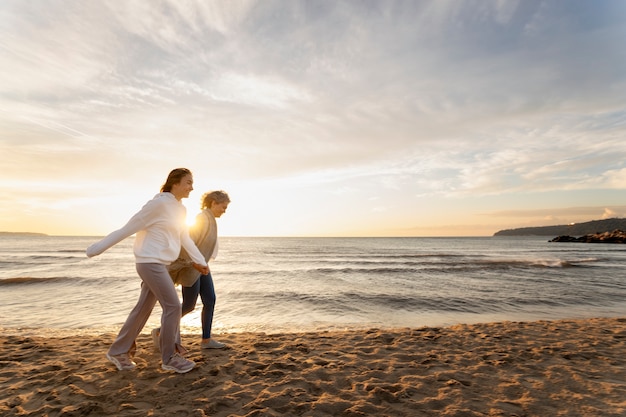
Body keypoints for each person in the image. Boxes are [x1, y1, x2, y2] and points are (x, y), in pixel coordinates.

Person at [86, 168, 209, 374]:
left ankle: (118, 351)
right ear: (175, 183)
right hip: (149, 262)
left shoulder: (180, 209)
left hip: (161, 264)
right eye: (188, 182)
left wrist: (199, 260)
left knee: (142, 308)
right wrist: (97, 249)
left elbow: (184, 237)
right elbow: (129, 227)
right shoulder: (158, 204)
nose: (192, 187)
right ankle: (169, 358)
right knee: (173, 307)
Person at [157, 190, 230, 350]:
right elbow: (188, 243)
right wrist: (193, 263)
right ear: (213, 203)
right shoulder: (202, 219)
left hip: (202, 266)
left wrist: (203, 263)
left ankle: (206, 340)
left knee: (210, 300)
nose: (224, 211)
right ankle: (162, 330)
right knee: (189, 305)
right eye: (223, 207)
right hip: (193, 267)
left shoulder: (211, 219)